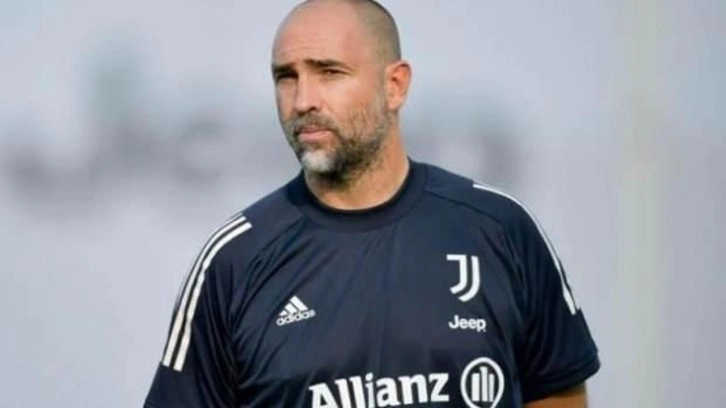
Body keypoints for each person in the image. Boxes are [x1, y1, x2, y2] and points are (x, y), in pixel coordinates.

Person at [143, 0, 600, 406]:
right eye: (286, 77)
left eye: (329, 72)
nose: (303, 100)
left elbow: (558, 395)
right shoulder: (235, 261)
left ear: (395, 85)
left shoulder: (500, 229)